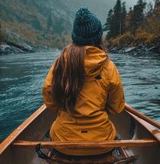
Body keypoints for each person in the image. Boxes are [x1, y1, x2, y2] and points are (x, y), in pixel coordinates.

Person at [42, 8, 125, 157]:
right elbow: (116, 108)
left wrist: (63, 110)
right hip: (101, 144)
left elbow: (49, 99)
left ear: (75, 37)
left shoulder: (59, 63)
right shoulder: (109, 66)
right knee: (115, 135)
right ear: (99, 38)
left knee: (53, 130)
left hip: (63, 143)